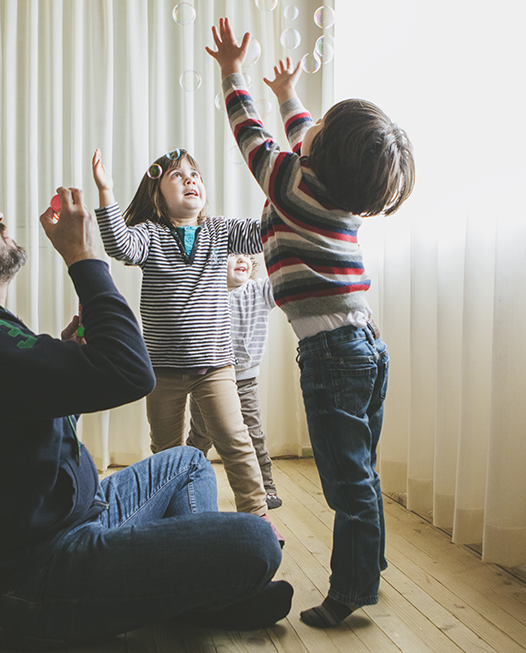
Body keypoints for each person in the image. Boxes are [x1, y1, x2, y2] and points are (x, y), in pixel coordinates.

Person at [0, 174, 292, 648]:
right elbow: (133, 372)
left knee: (189, 463)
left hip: (75, 524)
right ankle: (193, 591)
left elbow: (20, 412)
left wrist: (66, 352)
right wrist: (83, 256)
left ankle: (189, 590)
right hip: (35, 582)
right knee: (255, 541)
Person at [206, 18, 416, 628]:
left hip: (333, 353)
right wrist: (289, 95)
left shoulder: (292, 185)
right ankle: (367, 564)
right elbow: (303, 135)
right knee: (361, 469)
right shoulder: (333, 190)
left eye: (318, 127)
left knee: (345, 480)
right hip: (364, 345)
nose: (308, 127)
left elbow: (252, 138)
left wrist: (232, 73)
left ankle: (349, 591)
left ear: (320, 156)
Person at [91, 148, 282, 541]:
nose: (190, 179)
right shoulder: (150, 235)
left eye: (194, 174)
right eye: (177, 175)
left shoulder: (220, 231)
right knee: (166, 450)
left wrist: (280, 184)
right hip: (161, 369)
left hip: (215, 366)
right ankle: (172, 519)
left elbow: (266, 230)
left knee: (235, 439)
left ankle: (258, 517)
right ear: (158, 195)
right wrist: (106, 192)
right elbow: (119, 246)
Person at [187, 253, 283, 509]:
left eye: (245, 255)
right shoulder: (206, 293)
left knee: (253, 433)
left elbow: (282, 280)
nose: (241, 259)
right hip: (208, 380)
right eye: (232, 254)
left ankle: (266, 487)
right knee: (201, 434)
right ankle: (183, 483)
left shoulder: (259, 290)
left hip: (245, 381)